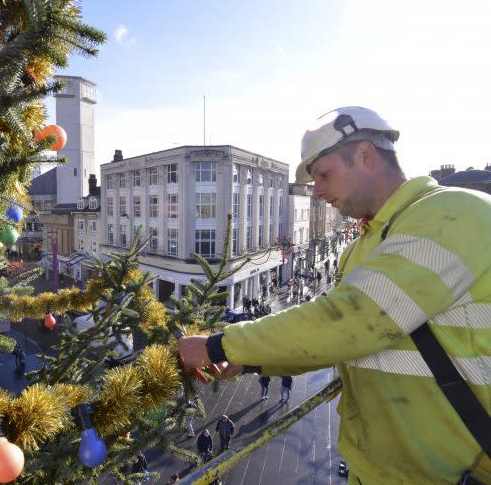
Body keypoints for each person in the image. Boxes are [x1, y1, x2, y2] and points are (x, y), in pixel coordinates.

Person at [177, 106, 491, 485]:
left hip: (454, 474)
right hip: (375, 473)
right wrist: (251, 362)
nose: (318, 191)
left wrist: (218, 346)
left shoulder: (454, 213)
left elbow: (349, 321)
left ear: (364, 155)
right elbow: (337, 343)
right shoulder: (364, 245)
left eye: (324, 174)